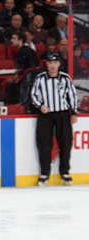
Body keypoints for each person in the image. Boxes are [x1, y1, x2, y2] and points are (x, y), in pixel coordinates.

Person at [30, 52, 78, 186]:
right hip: (46, 115)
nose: (52, 66)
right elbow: (33, 94)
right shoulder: (40, 78)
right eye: (50, 63)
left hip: (63, 114)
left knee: (66, 143)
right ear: (46, 64)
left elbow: (72, 95)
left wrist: (74, 112)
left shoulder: (65, 78)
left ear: (59, 64)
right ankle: (45, 173)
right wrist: (40, 106)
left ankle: (65, 172)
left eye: (55, 63)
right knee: (44, 144)